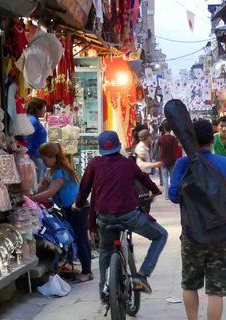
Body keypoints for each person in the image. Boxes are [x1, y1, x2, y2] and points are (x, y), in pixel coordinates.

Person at [168, 119, 226, 320]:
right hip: (221, 235)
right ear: (211, 139)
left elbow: (173, 195)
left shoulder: (183, 164)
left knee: (190, 284)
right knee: (216, 289)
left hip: (192, 233)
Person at [74, 130, 168, 300]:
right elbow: (144, 179)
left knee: (105, 249)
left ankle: (104, 288)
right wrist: (155, 190)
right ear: (118, 146)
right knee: (161, 235)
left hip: (103, 216)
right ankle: (142, 275)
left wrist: (77, 204)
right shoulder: (127, 163)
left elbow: (84, 188)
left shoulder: (95, 163)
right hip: (129, 215)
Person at [31, 142, 91, 283]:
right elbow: (43, 186)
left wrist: (31, 198)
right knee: (80, 238)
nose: (43, 162)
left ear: (52, 157)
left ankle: (87, 272)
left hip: (77, 208)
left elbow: (50, 192)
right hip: (72, 207)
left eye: (45, 159)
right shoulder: (53, 170)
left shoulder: (60, 171)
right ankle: (85, 269)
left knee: (81, 239)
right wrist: (34, 192)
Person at [25, 98, 48, 179]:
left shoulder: (34, 120)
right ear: (37, 110)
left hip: (37, 156)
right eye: (43, 109)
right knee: (37, 183)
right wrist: (31, 154)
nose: (44, 111)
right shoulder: (33, 121)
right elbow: (26, 138)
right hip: (35, 156)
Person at [155, 122, 181, 188]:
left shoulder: (160, 138)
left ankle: (166, 195)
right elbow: (179, 146)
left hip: (163, 160)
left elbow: (156, 147)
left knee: (165, 178)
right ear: (171, 129)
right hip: (172, 160)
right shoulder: (173, 138)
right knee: (172, 178)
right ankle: (172, 192)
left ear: (164, 128)